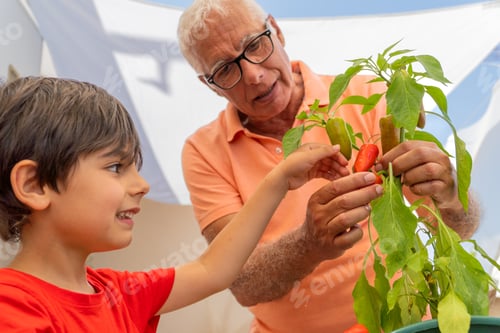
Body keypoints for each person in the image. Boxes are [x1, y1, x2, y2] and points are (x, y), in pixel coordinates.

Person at [176, 0, 481, 332]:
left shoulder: (369, 94)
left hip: (402, 322)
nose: (253, 74)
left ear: (276, 31)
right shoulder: (203, 151)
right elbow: (242, 282)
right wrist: (309, 243)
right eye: (224, 69)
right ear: (209, 84)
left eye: (254, 45)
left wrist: (450, 195)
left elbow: (458, 228)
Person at [0, 76, 353, 332]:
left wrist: (279, 181)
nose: (141, 185)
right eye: (114, 167)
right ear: (33, 185)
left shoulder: (120, 292)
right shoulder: (12, 307)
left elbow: (212, 270)